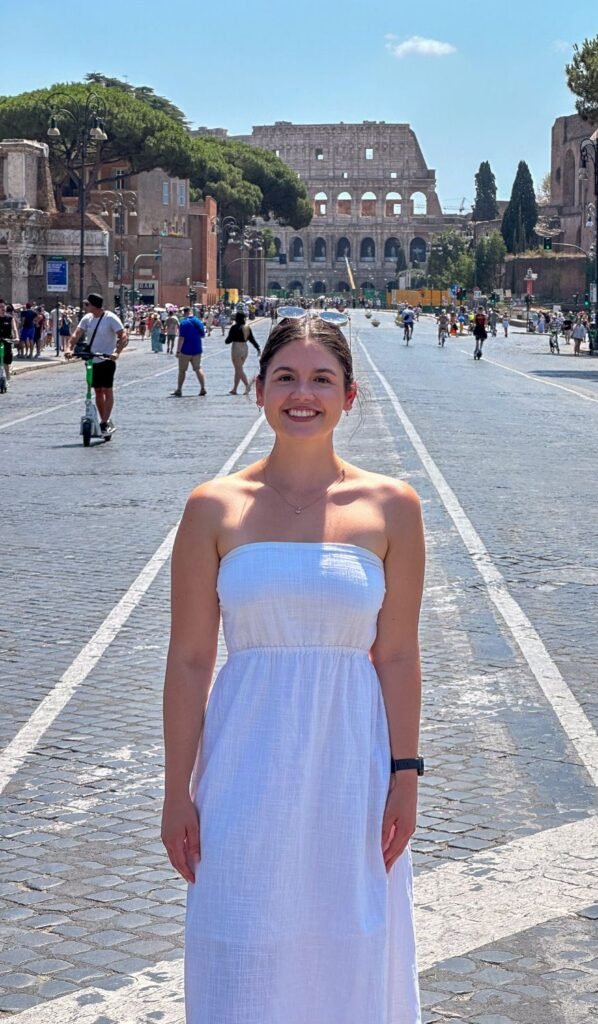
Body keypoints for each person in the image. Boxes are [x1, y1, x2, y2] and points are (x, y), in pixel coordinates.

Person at [162, 311, 424, 1023]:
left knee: (351, 946)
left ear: (349, 394)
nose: (301, 394)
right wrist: (176, 792)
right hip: (243, 764)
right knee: (238, 938)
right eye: (285, 377)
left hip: (352, 765)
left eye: (320, 379)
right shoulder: (213, 507)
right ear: (259, 391)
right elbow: (189, 661)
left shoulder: (392, 507)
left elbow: (397, 653)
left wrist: (406, 775)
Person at [67, 293, 128, 434]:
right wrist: (69, 348)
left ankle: (104, 421)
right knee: (97, 391)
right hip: (91, 359)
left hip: (106, 359)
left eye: (87, 304)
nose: (85, 307)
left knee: (107, 390)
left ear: (94, 306)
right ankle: (103, 419)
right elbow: (76, 334)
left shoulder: (110, 318)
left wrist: (117, 352)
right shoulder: (87, 318)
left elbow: (123, 335)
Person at [172, 307, 207, 397]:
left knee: (182, 371)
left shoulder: (184, 323)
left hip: (185, 350)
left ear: (184, 313)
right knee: (198, 368)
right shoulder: (198, 322)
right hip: (197, 349)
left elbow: (181, 338)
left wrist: (178, 351)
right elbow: (202, 335)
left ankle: (179, 389)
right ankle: (203, 388)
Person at [225, 310, 261, 394]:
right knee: (238, 368)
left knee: (238, 369)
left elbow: (228, 340)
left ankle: (247, 386)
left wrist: (228, 339)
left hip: (236, 348)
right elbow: (252, 339)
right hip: (245, 348)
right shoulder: (247, 327)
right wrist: (258, 348)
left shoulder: (234, 327)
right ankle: (235, 389)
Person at [0, 301, 18, 388]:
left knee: (6, 362)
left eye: (3, 307)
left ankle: (7, 378)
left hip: (7, 341)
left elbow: (14, 329)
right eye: (0, 307)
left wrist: (16, 337)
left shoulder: (10, 318)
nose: (2, 309)